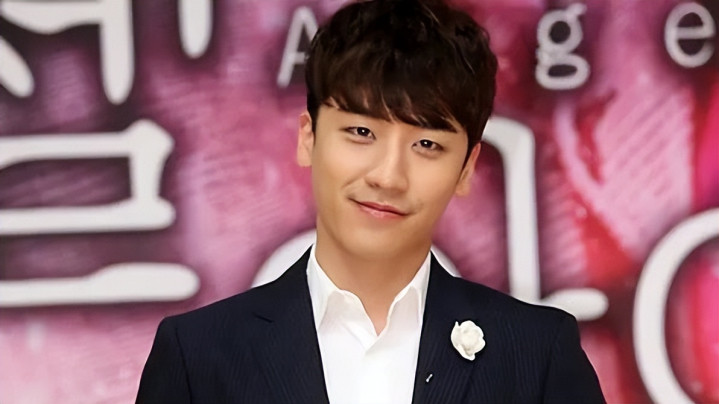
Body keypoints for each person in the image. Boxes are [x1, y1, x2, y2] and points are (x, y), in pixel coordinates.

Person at [136, 0, 605, 402]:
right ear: (308, 137)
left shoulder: (537, 355)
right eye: (361, 132)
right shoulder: (198, 356)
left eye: (427, 145)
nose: (388, 176)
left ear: (466, 167)